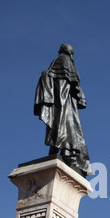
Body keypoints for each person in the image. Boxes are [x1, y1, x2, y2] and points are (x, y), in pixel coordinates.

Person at [34, 44, 92, 177]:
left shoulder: (57, 61)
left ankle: (57, 153)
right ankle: (64, 153)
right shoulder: (64, 60)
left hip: (63, 102)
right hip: (64, 103)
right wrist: (80, 95)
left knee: (60, 128)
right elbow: (74, 83)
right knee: (64, 128)